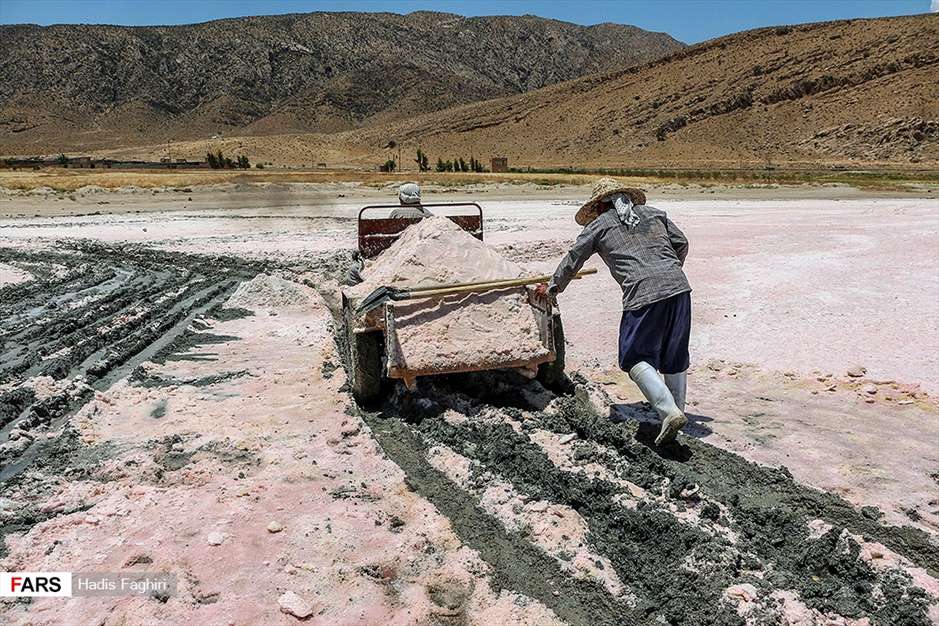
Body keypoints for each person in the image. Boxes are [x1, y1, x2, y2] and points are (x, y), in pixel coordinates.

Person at [536, 177, 691, 446]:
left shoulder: (598, 227)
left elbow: (574, 258)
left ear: (598, 206)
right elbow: (682, 243)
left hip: (642, 294)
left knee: (632, 356)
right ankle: (678, 411)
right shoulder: (655, 214)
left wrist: (552, 288)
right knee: (674, 353)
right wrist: (668, 270)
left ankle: (669, 412)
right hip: (679, 288)